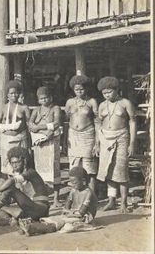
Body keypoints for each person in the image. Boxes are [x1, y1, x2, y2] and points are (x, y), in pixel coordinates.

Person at [19, 166, 100, 236]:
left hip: (84, 217)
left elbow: (81, 213)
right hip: (73, 214)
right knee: (53, 218)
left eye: (74, 183)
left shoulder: (88, 193)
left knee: (60, 223)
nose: (72, 185)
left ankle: (34, 229)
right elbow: (67, 205)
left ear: (83, 181)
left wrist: (69, 213)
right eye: (71, 182)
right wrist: (67, 211)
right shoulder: (73, 190)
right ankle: (30, 226)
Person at [96, 76, 136, 213]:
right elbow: (98, 124)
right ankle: (111, 201)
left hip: (121, 138)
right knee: (108, 170)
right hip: (105, 139)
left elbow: (132, 122)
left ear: (117, 89)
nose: (107, 95)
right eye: (104, 93)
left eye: (109, 92)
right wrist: (97, 143)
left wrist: (132, 143)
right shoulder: (102, 105)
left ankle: (124, 203)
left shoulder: (125, 103)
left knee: (121, 170)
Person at [0, 147, 50, 224]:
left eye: (17, 162)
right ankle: (9, 220)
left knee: (10, 189)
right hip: (29, 209)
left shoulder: (31, 172)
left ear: (24, 161)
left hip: (40, 209)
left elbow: (11, 182)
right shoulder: (20, 175)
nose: (14, 166)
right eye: (12, 163)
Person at [65, 74, 99, 191]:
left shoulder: (91, 102)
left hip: (88, 135)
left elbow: (97, 122)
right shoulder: (69, 102)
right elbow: (66, 120)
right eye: (76, 89)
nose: (79, 91)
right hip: (73, 135)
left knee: (89, 166)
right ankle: (75, 193)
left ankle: (92, 194)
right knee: (74, 166)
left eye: (81, 89)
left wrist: (97, 142)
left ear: (86, 88)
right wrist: (65, 140)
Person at [29, 86, 62, 207]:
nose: (44, 100)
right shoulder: (36, 110)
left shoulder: (55, 108)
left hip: (52, 141)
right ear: (38, 100)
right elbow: (30, 124)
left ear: (51, 97)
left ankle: (56, 199)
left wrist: (40, 128)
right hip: (39, 142)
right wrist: (38, 131)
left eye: (46, 98)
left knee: (54, 169)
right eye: (41, 99)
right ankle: (43, 197)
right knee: (40, 171)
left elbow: (57, 123)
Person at [0, 80, 31, 176]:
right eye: (11, 93)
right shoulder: (2, 108)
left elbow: (29, 125)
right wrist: (6, 128)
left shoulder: (24, 108)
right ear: (7, 95)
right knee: (8, 168)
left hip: (20, 139)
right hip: (6, 141)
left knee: (20, 165)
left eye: (16, 93)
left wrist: (29, 145)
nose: (14, 95)